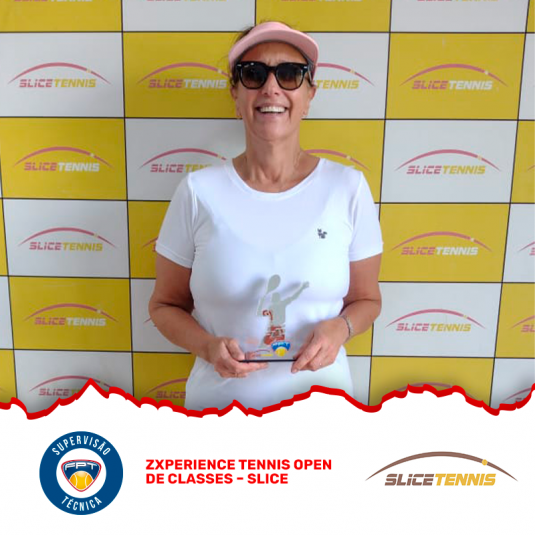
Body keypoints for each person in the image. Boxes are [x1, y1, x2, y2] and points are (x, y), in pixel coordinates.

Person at [149, 21, 383, 411]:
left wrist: (341, 328)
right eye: (254, 74)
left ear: (309, 96)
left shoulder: (349, 188)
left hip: (324, 414)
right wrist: (206, 346)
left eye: (290, 74)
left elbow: (367, 299)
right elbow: (164, 306)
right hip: (219, 416)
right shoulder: (197, 192)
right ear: (235, 94)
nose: (271, 88)